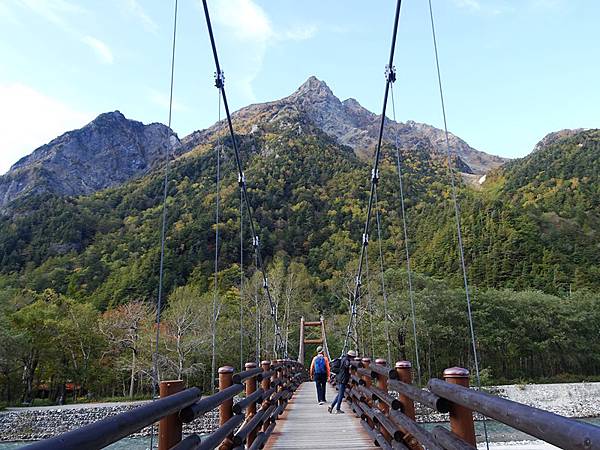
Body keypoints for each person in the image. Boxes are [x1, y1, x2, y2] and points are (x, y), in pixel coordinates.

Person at [328, 349, 356, 414]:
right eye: (353, 357)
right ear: (351, 356)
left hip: (340, 377)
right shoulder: (346, 360)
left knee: (340, 394)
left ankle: (331, 406)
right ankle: (337, 409)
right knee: (341, 394)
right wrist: (351, 365)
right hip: (343, 378)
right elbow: (347, 365)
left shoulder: (343, 358)